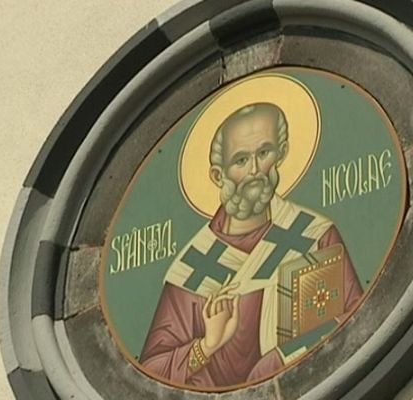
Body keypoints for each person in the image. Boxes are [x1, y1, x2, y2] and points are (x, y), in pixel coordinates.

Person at [139, 103, 363, 388]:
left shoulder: (314, 235)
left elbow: (359, 320)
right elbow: (149, 377)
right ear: (218, 175)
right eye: (241, 160)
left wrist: (283, 359)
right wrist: (206, 346)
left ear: (280, 154)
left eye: (264, 153)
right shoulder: (194, 267)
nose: (255, 170)